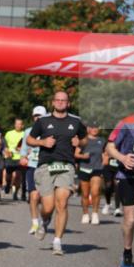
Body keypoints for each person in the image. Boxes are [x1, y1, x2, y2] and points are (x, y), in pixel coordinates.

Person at [26, 91, 87, 256]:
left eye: (64, 100)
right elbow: (29, 140)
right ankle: (45, 221)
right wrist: (42, 142)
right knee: (48, 206)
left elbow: (85, 138)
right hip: (46, 166)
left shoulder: (76, 121)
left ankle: (57, 241)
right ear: (53, 102)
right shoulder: (43, 121)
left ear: (68, 103)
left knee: (62, 203)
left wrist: (79, 142)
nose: (60, 103)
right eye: (58, 100)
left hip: (66, 166)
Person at [106, 95, 134, 267]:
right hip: (127, 176)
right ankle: (127, 253)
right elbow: (109, 147)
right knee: (130, 220)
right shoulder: (126, 123)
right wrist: (122, 158)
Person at [21, 106, 46, 234]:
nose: (38, 118)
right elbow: (24, 149)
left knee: (46, 199)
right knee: (34, 195)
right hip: (32, 166)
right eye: (36, 116)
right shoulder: (28, 131)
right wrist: (23, 157)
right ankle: (35, 223)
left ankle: (45, 220)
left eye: (40, 116)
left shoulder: (50, 131)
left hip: (47, 168)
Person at [75, 122, 106, 226]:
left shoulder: (102, 141)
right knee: (84, 194)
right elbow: (75, 154)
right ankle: (85, 214)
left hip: (97, 169)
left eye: (96, 127)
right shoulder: (83, 140)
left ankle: (95, 213)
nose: (94, 129)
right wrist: (83, 157)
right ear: (88, 129)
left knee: (95, 192)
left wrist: (105, 161)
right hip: (84, 168)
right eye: (92, 127)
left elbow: (105, 154)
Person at [2, 118, 26, 201]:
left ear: (22, 125)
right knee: (8, 176)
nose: (18, 125)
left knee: (18, 176)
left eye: (20, 124)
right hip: (10, 157)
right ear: (14, 125)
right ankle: (8, 184)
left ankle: (15, 193)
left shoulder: (24, 134)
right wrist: (6, 150)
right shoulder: (9, 133)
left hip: (20, 158)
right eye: (16, 124)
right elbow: (4, 144)